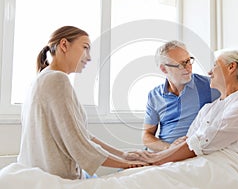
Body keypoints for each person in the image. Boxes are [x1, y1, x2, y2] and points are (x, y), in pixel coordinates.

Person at [17, 26, 148, 180]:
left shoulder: (40, 78)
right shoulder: (58, 79)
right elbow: (77, 143)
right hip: (58, 178)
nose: (89, 57)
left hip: (36, 175)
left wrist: (124, 155)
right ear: (64, 45)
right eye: (85, 47)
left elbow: (82, 134)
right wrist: (127, 164)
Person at [142, 41, 238, 152]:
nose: (188, 68)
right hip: (164, 151)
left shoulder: (210, 85)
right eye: (181, 64)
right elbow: (147, 136)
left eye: (188, 61)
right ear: (164, 69)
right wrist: (168, 148)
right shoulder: (154, 96)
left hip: (187, 153)